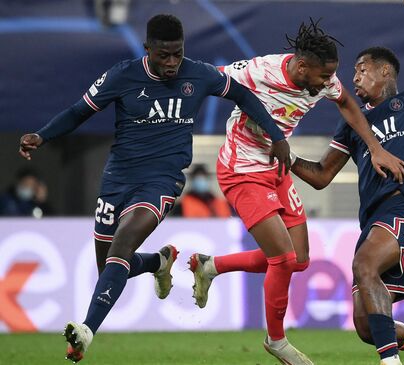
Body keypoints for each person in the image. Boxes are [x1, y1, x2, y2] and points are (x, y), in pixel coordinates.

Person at [18, 14, 291, 363]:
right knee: (111, 267)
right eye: (164, 55)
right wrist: (42, 135)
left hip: (162, 180)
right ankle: (159, 262)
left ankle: (86, 331)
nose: (172, 63)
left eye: (177, 54)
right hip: (117, 180)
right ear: (148, 50)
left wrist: (277, 135)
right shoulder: (122, 75)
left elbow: (244, 95)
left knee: (123, 243)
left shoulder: (199, 74)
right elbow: (77, 112)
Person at [187, 18, 404, 365]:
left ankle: (210, 266)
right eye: (322, 77)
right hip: (242, 169)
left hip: (277, 169)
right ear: (302, 66)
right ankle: (276, 341)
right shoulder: (259, 71)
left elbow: (348, 104)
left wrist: (374, 147)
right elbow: (207, 77)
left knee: (299, 260)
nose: (328, 83)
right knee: (284, 259)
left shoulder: (322, 79)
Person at [289, 1, 404, 364]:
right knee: (368, 327)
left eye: (362, 69)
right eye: (354, 72)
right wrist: (287, 156)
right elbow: (323, 176)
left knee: (364, 265)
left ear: (385, 71)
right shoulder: (353, 123)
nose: (355, 78)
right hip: (374, 222)